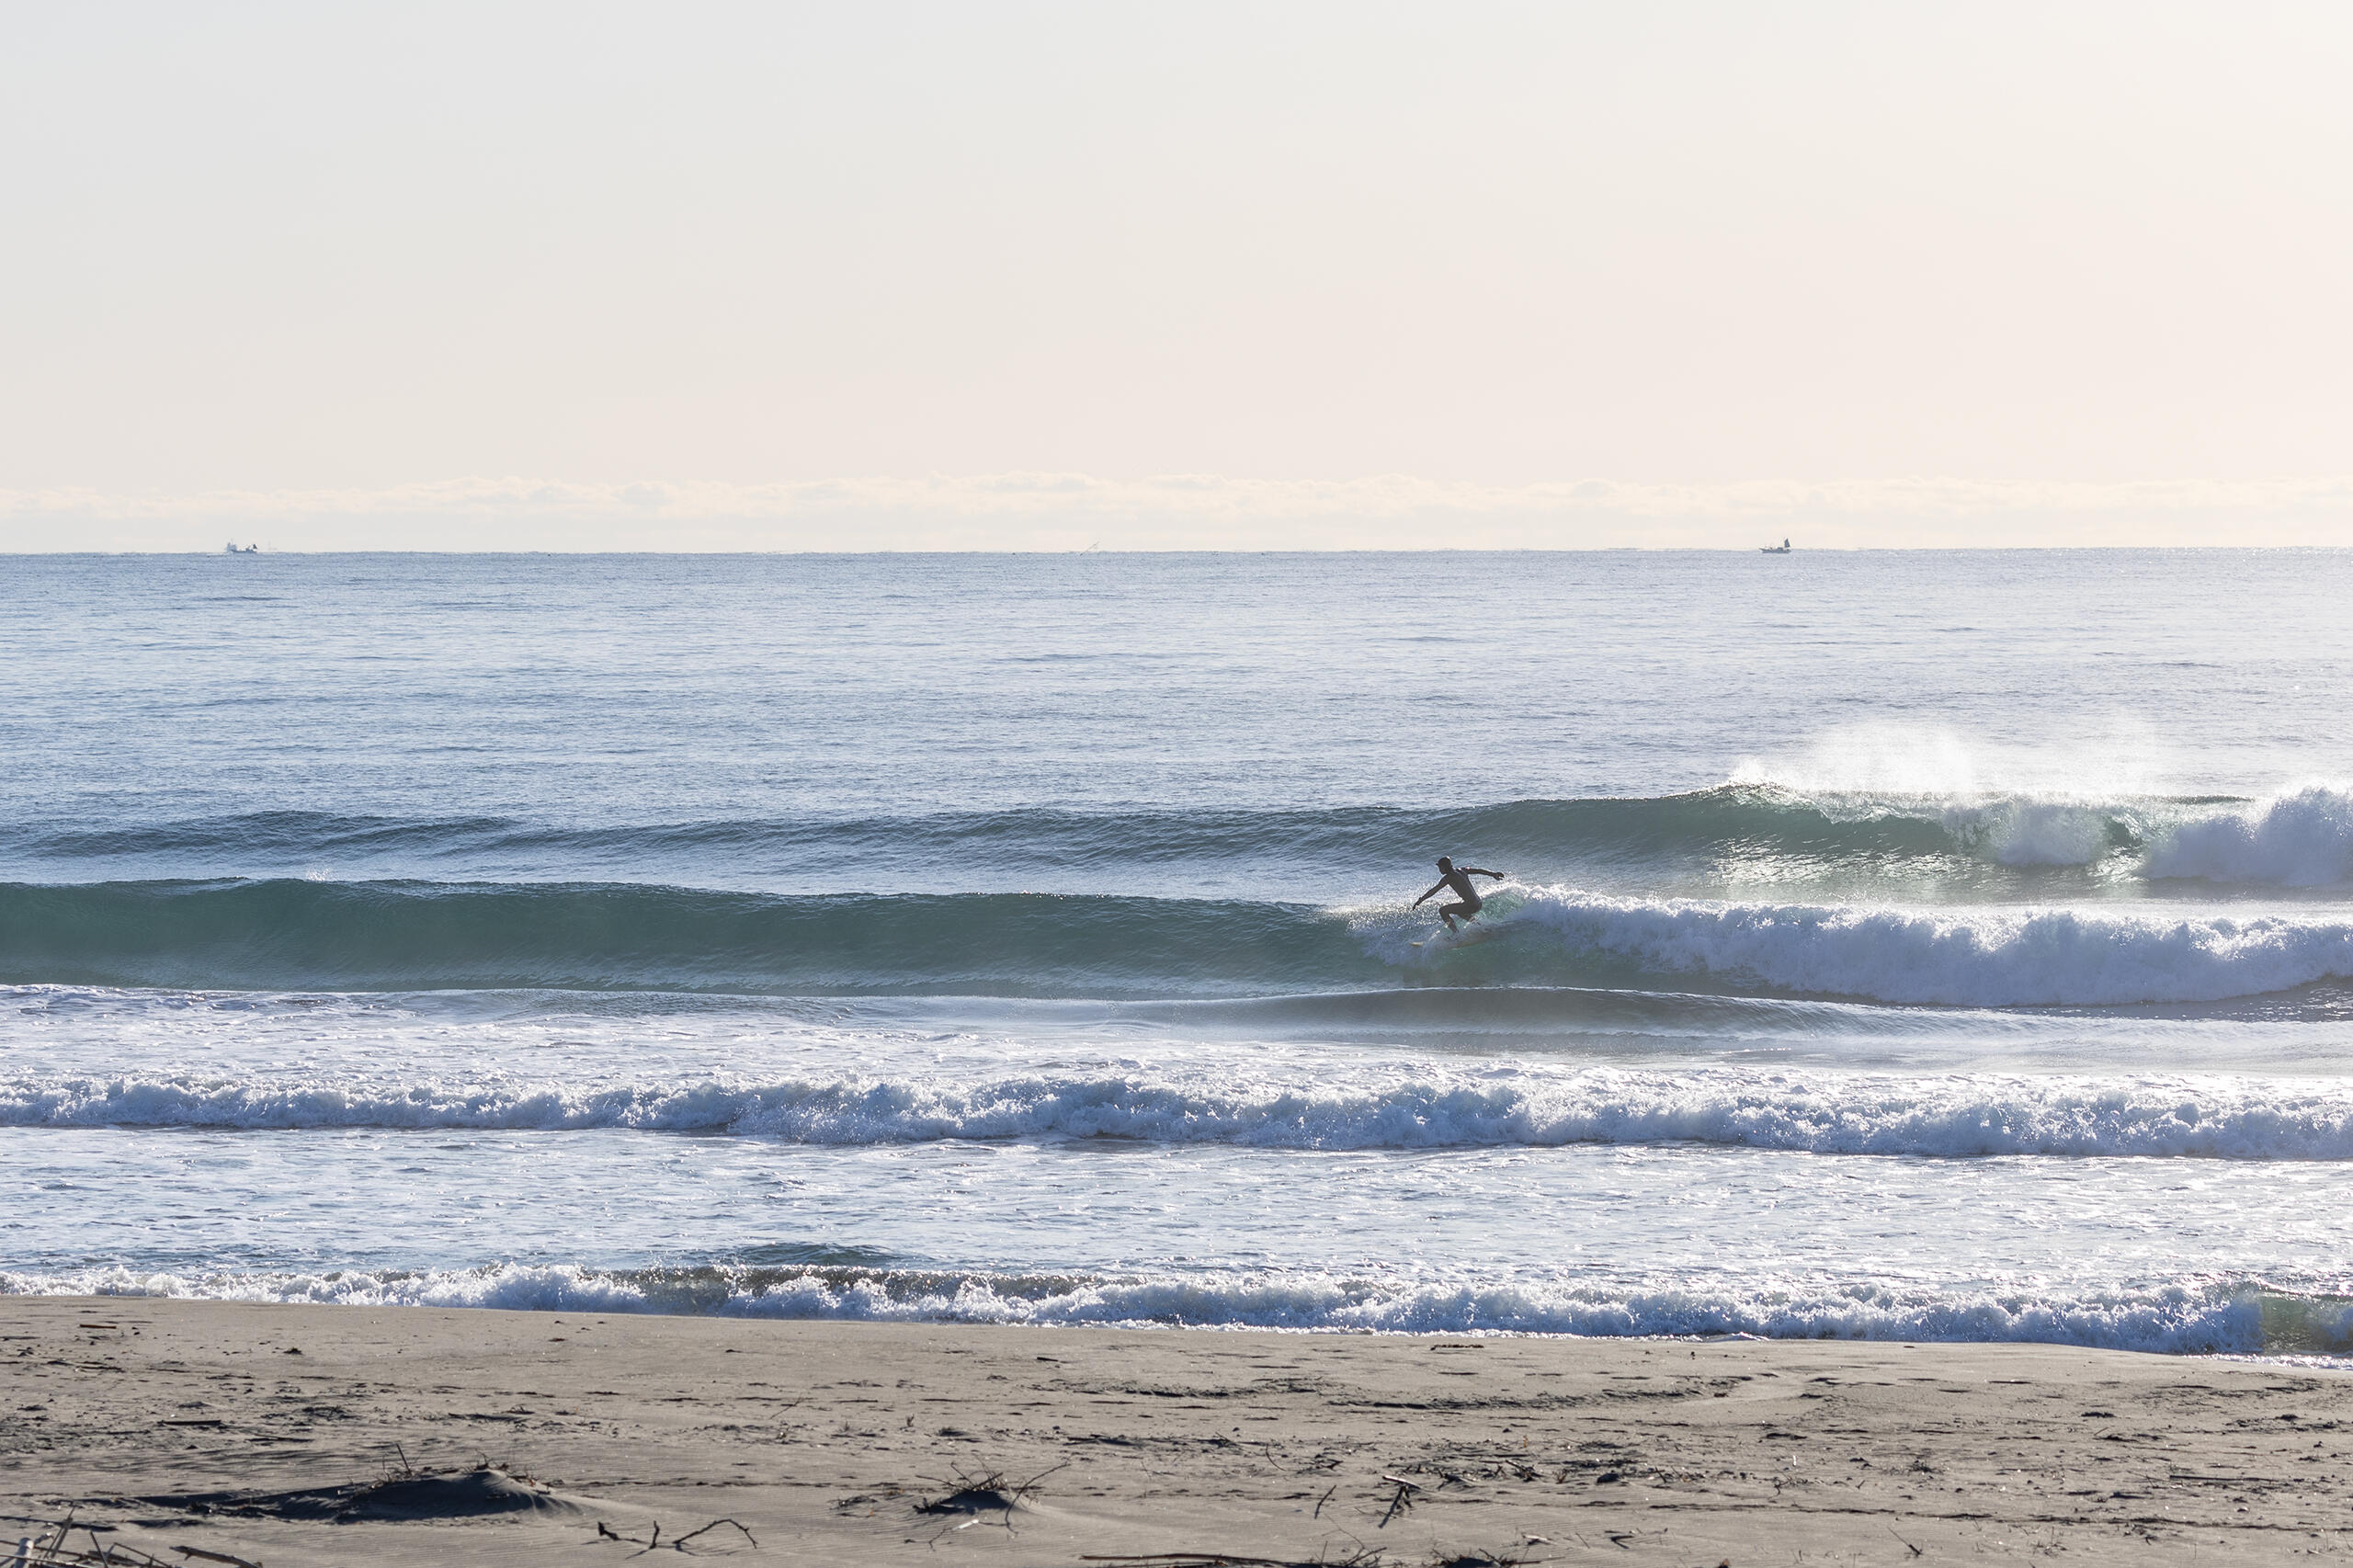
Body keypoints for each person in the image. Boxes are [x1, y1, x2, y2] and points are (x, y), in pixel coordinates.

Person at [1413, 857, 1505, 932]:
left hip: (1471, 906)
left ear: (1445, 867)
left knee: (1443, 911)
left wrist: (1420, 900)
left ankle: (1456, 933)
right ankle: (1479, 926)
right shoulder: (1462, 870)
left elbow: (1434, 890)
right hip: (1478, 903)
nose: (1439, 869)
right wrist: (1493, 874)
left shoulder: (1448, 878)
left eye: (1440, 867)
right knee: (1460, 912)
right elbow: (1479, 870)